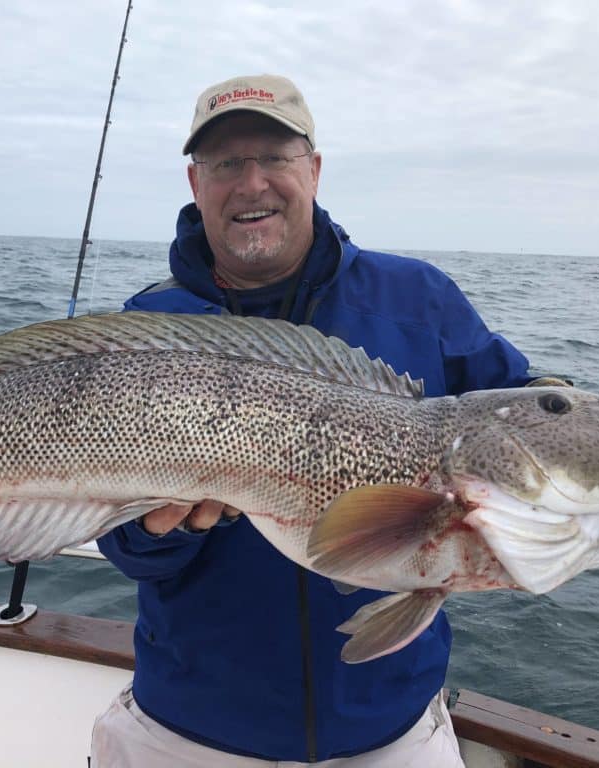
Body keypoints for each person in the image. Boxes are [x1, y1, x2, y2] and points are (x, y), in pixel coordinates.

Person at [91, 74, 539, 767]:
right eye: (226, 163)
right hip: (187, 729)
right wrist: (158, 529)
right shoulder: (151, 329)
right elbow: (123, 546)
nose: (252, 183)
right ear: (194, 181)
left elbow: (516, 410)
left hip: (391, 729)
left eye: (274, 157)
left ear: (315, 170)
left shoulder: (418, 296)